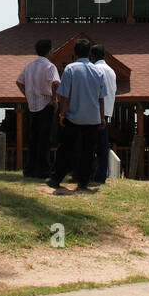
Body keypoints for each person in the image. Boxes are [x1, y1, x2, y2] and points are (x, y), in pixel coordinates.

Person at [46, 40, 106, 192]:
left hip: (73, 116)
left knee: (66, 149)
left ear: (75, 53)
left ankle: (56, 178)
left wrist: (62, 113)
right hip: (92, 117)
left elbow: (64, 95)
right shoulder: (98, 71)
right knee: (88, 151)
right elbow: (101, 97)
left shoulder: (70, 69)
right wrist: (102, 117)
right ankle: (83, 182)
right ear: (89, 54)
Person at [16, 38, 60, 179]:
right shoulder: (50, 66)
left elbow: (19, 81)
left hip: (33, 105)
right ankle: (44, 170)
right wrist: (54, 99)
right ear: (49, 51)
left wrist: (27, 95)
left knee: (33, 138)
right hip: (45, 104)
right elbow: (56, 82)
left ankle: (29, 169)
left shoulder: (29, 65)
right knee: (45, 139)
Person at [89, 44, 117, 184]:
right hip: (107, 113)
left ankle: (88, 174)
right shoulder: (111, 71)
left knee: (89, 145)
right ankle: (101, 175)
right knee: (103, 146)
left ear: (92, 56)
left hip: (94, 112)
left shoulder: (94, 69)